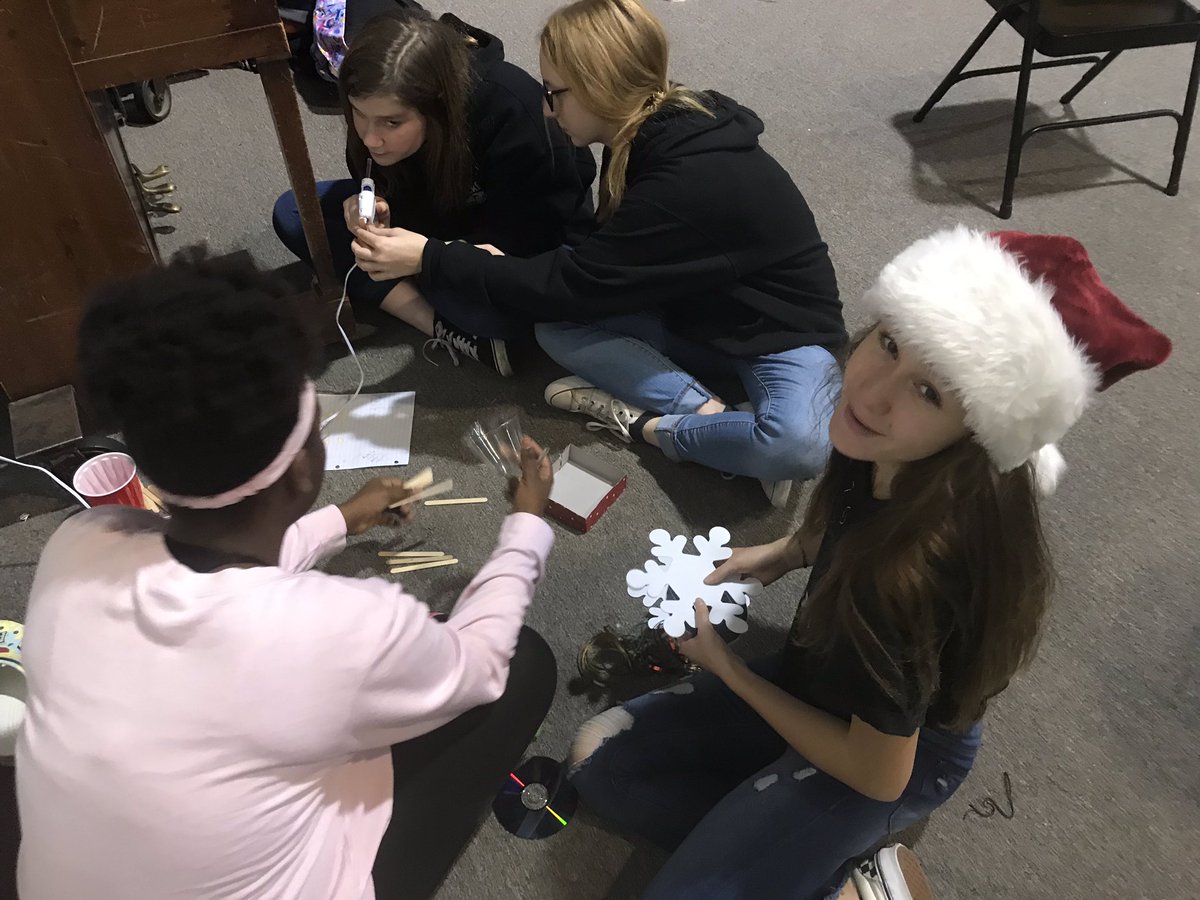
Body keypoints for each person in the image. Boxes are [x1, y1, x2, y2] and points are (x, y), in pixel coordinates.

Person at [563, 227, 1172, 898]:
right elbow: (839, 516)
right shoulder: (876, 449)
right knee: (599, 761)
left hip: (893, 758)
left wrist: (729, 670)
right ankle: (786, 843)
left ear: (976, 434)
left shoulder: (902, 583)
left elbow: (880, 772)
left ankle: (855, 884)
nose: (874, 393)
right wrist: (784, 552)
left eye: (929, 392)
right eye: (888, 344)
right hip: (820, 678)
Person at [14, 252, 559, 900]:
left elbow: (215, 560)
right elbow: (479, 663)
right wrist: (526, 524)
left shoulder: (77, 545)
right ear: (302, 468)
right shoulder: (346, 627)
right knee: (523, 664)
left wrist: (340, 520)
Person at [345, 0, 846, 507]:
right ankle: (712, 417)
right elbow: (582, 278)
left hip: (780, 336)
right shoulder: (644, 135)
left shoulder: (684, 179)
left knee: (799, 448)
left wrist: (433, 258)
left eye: (555, 93)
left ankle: (652, 426)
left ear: (599, 85)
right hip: (688, 311)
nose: (546, 107)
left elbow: (573, 282)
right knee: (552, 326)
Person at [273, 8, 596, 376]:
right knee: (294, 212)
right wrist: (378, 204)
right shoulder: (377, 122)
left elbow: (536, 241)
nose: (370, 137)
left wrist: (427, 257)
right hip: (436, 224)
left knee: (516, 314)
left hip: (513, 240)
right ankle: (440, 326)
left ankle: (436, 306)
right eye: (359, 114)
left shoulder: (512, 109)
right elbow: (378, 175)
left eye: (392, 123)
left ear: (437, 108)